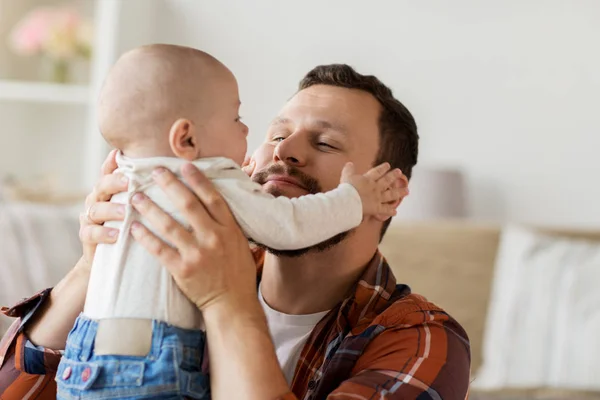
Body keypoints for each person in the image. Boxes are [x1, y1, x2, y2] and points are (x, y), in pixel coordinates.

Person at [0, 64, 471, 399]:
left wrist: (225, 304)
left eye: (325, 142)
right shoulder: (179, 257)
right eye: (275, 134)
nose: (285, 151)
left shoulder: (422, 339)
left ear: (388, 191)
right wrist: (93, 264)